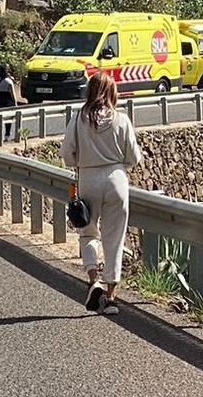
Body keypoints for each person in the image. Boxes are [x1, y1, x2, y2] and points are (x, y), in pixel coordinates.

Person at [60, 72, 142, 314]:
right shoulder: (122, 119)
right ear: (112, 92)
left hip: (88, 178)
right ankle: (112, 298)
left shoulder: (78, 119)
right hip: (117, 179)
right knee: (114, 238)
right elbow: (134, 157)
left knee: (87, 233)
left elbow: (66, 155)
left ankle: (93, 279)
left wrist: (83, 160)